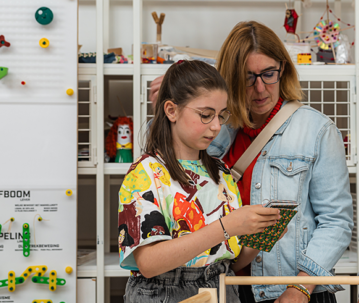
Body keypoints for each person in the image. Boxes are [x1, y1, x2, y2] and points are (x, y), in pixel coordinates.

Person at [150, 21, 353, 303]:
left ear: (284, 69)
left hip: (288, 290)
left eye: (269, 74)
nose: (260, 88)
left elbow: (336, 222)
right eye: (247, 77)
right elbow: (164, 177)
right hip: (225, 288)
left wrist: (301, 287)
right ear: (229, 80)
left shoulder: (316, 130)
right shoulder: (216, 128)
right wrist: (172, 113)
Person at [120, 60, 283, 303]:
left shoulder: (221, 172)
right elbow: (149, 264)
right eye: (206, 115)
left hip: (222, 288)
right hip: (164, 293)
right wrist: (227, 226)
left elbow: (231, 259)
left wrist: (262, 237)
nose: (216, 126)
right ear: (171, 111)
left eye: (221, 115)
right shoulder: (145, 173)